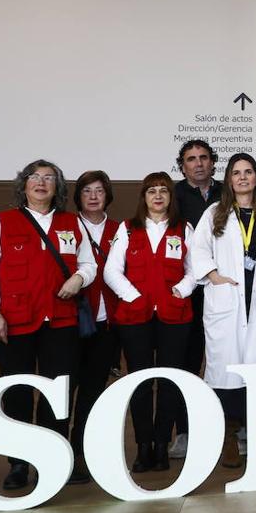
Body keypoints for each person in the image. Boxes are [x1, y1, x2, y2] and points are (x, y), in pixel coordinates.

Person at [0, 159, 96, 490]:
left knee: (58, 393)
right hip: (13, 322)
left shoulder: (72, 222)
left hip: (60, 321)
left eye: (49, 178)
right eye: (34, 177)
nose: (41, 183)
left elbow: (89, 263)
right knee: (17, 393)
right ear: (24, 185)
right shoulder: (3, 221)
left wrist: (78, 278)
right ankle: (18, 464)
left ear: (57, 188)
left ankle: (54, 458)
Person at [189, 153, 256, 467]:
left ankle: (255, 434)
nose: (242, 177)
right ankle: (228, 436)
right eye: (236, 173)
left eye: (248, 172)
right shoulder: (214, 213)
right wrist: (213, 275)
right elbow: (197, 250)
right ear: (229, 180)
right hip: (226, 299)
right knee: (224, 370)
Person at [104, 172, 197, 472]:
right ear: (143, 197)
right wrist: (132, 296)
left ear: (171, 197)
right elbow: (111, 271)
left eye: (164, 191)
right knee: (140, 383)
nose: (158, 196)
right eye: (151, 191)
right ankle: (143, 447)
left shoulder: (184, 228)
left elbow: (195, 270)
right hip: (136, 318)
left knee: (170, 382)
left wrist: (180, 291)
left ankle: (161, 445)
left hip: (173, 316)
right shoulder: (127, 229)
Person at [169, 139, 222, 459]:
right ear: (183, 165)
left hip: (223, 289)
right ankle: (184, 432)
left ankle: (230, 427)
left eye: (204, 158)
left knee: (224, 359)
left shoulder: (227, 192)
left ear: (213, 162)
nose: (199, 163)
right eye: (191, 159)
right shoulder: (172, 196)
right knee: (186, 362)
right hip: (188, 291)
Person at [67, 170, 121, 484]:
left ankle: (82, 452)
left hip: (107, 322)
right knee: (64, 388)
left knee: (92, 390)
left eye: (99, 190)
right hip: (71, 321)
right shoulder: (66, 226)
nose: (93, 196)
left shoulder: (120, 229)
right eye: (87, 190)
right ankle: (58, 453)